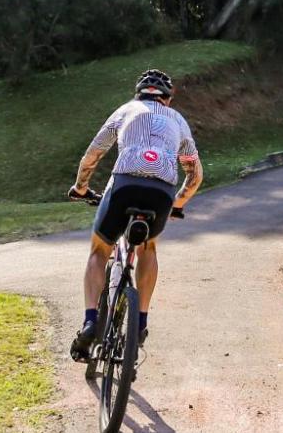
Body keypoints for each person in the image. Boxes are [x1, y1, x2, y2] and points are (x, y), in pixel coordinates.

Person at [68, 67, 202, 360]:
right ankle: (140, 321)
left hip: (125, 184)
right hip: (162, 192)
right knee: (149, 247)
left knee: (99, 249)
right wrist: (178, 203)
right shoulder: (178, 120)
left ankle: (90, 322)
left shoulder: (125, 110)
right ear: (168, 98)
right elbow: (193, 173)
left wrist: (80, 187)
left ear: (138, 93)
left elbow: (93, 154)